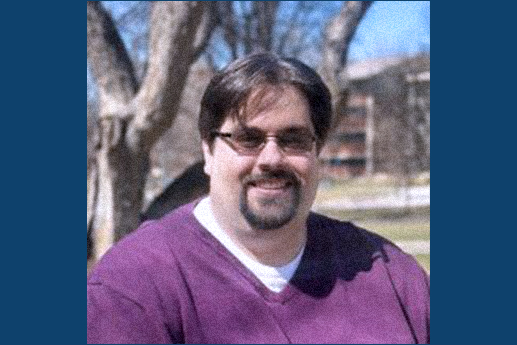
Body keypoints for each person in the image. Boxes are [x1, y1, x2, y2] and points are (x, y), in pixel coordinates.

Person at [87, 52, 430, 344]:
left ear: (317, 152)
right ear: (207, 151)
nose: (271, 158)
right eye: (247, 139)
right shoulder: (134, 288)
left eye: (293, 139)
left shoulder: (389, 275)